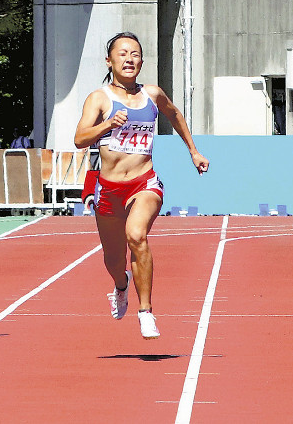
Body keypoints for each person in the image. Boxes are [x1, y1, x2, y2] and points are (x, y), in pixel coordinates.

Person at [74, 32, 209, 339]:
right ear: (109, 61)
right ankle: (121, 286)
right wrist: (108, 124)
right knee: (113, 260)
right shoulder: (99, 98)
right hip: (108, 188)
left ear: (142, 61)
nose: (129, 59)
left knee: (136, 235)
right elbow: (80, 140)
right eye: (122, 54)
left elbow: (174, 114)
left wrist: (193, 151)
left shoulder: (152, 94)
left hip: (144, 183)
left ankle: (146, 311)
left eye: (135, 54)